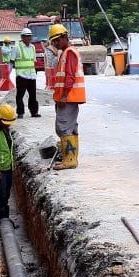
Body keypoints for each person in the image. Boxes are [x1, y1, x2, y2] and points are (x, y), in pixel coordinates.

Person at [50, 23, 85, 170]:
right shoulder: (65, 53)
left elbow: (70, 77)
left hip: (69, 97)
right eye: (53, 41)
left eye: (57, 40)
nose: (55, 44)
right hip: (68, 97)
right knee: (70, 127)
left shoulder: (69, 53)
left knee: (63, 127)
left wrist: (64, 96)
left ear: (64, 37)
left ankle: (69, 160)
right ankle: (71, 158)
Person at [14, 28, 40, 119]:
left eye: (30, 36)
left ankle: (34, 112)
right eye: (27, 36)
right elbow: (12, 61)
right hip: (21, 75)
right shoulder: (17, 47)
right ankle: (20, 112)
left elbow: (33, 61)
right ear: (22, 37)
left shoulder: (33, 47)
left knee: (33, 95)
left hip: (31, 75)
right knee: (20, 95)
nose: (29, 38)